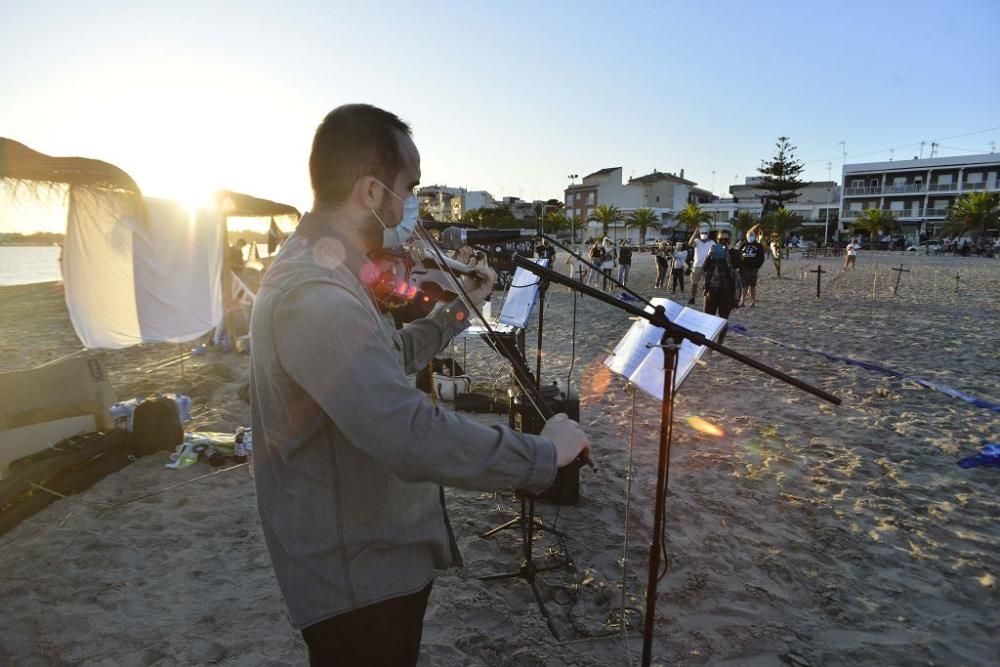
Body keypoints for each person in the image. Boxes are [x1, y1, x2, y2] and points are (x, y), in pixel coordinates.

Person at [249, 104, 590, 666]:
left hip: (366, 560)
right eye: (407, 188)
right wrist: (543, 455)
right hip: (355, 578)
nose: (412, 208)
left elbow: (385, 357)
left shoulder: (331, 273)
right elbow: (406, 432)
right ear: (370, 192)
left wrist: (458, 311)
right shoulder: (315, 294)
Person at [702, 230, 739, 319]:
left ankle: (722, 333)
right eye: (720, 239)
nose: (723, 241)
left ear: (729, 240)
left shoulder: (734, 252)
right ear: (717, 240)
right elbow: (704, 268)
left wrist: (729, 253)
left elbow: (736, 266)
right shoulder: (713, 250)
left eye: (725, 239)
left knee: (723, 318)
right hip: (711, 288)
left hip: (727, 289)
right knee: (708, 317)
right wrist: (709, 256)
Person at [738, 224, 766, 307]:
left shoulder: (758, 246)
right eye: (749, 235)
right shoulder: (743, 245)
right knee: (744, 286)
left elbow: (762, 258)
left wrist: (757, 266)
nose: (751, 237)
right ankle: (742, 302)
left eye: (752, 235)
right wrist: (739, 266)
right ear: (746, 236)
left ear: (755, 236)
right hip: (743, 269)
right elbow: (738, 255)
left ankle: (753, 302)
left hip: (753, 269)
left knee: (752, 286)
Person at [686, 226, 714, 305]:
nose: (704, 234)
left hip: (708, 266)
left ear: (708, 234)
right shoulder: (697, 241)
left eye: (705, 233)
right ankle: (692, 298)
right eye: (702, 233)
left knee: (707, 283)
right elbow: (690, 243)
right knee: (694, 283)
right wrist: (695, 232)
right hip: (697, 265)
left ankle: (707, 298)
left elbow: (715, 251)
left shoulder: (712, 242)